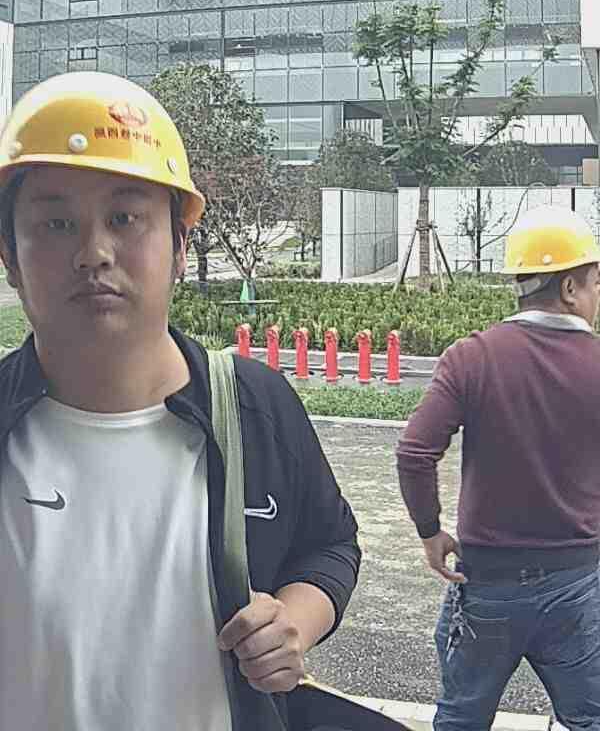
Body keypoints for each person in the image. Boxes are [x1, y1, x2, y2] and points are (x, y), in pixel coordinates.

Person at [0, 71, 360, 731]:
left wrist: (294, 621)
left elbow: (330, 544)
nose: (93, 252)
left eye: (125, 218)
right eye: (55, 223)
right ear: (10, 258)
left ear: (180, 246)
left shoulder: (253, 407)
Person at [396, 205, 600, 730]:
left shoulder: (472, 357)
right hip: (577, 583)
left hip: (487, 581)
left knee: (462, 718)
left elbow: (414, 452)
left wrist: (429, 531)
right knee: (589, 718)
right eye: (596, 282)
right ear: (570, 288)